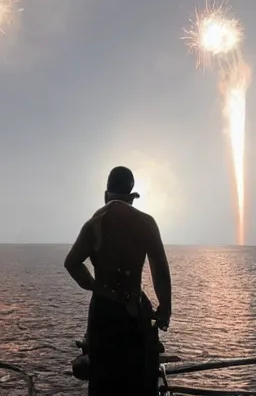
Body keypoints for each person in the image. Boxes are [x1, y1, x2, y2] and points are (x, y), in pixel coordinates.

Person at [64, 166, 172, 395]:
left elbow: (71, 263)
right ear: (133, 197)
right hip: (135, 315)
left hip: (103, 315)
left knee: (103, 383)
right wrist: (165, 310)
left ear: (106, 195)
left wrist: (97, 287)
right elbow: (160, 271)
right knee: (139, 382)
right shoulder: (146, 223)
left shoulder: (95, 224)